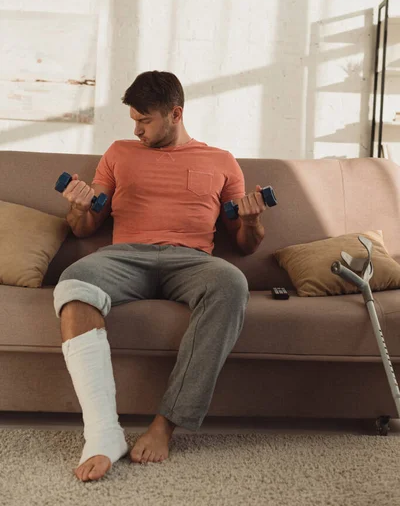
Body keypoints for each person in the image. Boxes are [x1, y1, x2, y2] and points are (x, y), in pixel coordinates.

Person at [53, 71, 266, 482]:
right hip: (125, 256)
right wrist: (79, 207)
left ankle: (165, 423)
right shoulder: (118, 153)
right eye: (133, 120)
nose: (137, 130)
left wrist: (253, 221)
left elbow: (245, 245)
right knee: (74, 281)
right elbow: (84, 226)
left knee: (232, 282)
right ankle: (103, 434)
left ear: (175, 114)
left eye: (144, 121)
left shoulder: (221, 161)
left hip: (192, 261)